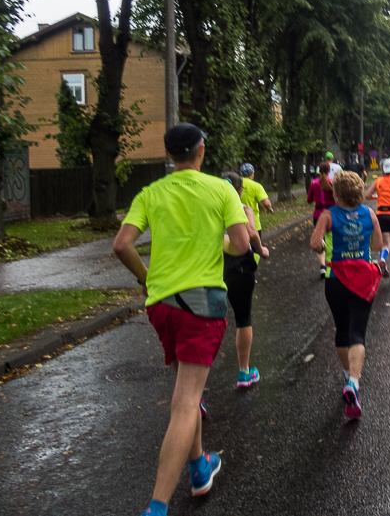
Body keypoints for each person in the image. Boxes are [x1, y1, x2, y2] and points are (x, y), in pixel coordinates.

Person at [113, 123, 250, 515]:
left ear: (170, 155)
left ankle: (199, 467)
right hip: (201, 303)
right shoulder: (221, 188)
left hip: (161, 305)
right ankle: (156, 507)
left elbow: (122, 244)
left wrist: (144, 277)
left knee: (187, 391)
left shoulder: (151, 193)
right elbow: (240, 245)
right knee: (186, 402)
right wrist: (218, 241)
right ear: (201, 151)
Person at [309, 171, 384, 419]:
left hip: (336, 279)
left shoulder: (328, 216)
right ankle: (354, 381)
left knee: (341, 328)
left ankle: (346, 375)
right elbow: (376, 246)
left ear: (337, 193)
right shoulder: (370, 214)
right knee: (358, 331)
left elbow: (315, 243)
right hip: (362, 278)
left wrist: (323, 246)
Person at [222, 171, 270, 389]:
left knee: (207, 323)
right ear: (240, 190)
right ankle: (244, 372)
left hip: (211, 268)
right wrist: (262, 250)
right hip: (239, 267)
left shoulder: (206, 209)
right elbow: (251, 233)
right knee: (243, 318)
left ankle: (196, 386)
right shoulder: (244, 209)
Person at [307, 161, 336, 276]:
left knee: (320, 239)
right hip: (331, 214)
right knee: (332, 238)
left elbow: (309, 200)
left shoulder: (314, 183)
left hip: (318, 214)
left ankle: (322, 266)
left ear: (318, 170)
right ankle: (331, 262)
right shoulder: (332, 183)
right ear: (329, 171)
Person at [239, 163, 272, 236]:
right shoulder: (256, 186)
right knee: (256, 247)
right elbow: (266, 203)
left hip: (237, 223)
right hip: (253, 224)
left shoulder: (235, 184)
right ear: (252, 174)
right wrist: (269, 209)